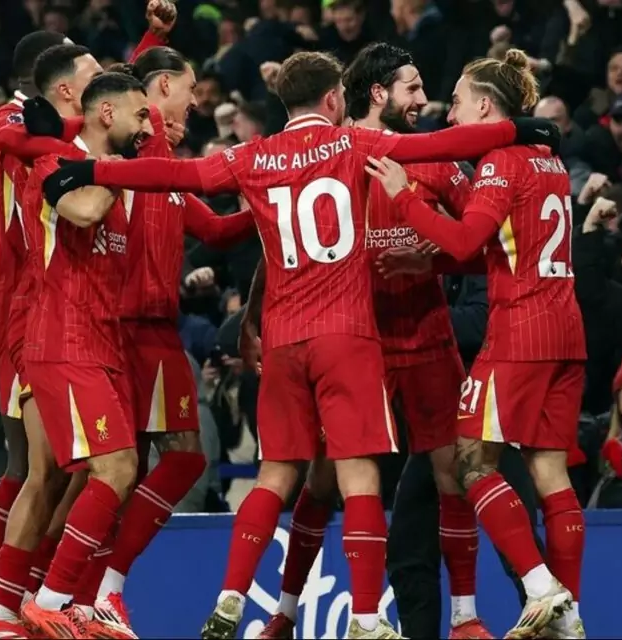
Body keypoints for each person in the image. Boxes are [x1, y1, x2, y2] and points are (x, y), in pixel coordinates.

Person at [42, 51, 556, 640]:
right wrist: (520, 130)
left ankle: (232, 599)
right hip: (348, 335)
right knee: (355, 478)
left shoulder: (254, 155)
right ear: (336, 99)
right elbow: (436, 146)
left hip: (291, 340)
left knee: (276, 476)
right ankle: (363, 619)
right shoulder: (354, 145)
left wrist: (93, 171)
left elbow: (180, 177)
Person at [251, 42, 492, 640]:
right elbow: (279, 242)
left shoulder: (431, 159)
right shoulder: (333, 153)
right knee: (321, 482)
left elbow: (487, 243)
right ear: (378, 92)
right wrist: (252, 318)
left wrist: (432, 259)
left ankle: (465, 617)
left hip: (427, 339)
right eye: (413, 87)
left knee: (453, 472)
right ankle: (284, 612)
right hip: (355, 345)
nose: (424, 99)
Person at [367, 51, 586, 638]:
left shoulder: (500, 161)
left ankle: (540, 587)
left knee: (469, 460)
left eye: (459, 102)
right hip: (567, 330)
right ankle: (568, 618)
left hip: (520, 331)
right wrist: (429, 261)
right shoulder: (548, 160)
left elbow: (467, 240)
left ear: (486, 106)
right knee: (550, 473)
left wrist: (403, 196)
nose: (450, 112)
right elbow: (498, 250)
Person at [85, 47, 257, 639]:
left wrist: (269, 203)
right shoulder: (134, 162)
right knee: (123, 470)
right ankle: (82, 592)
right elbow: (114, 94)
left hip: (161, 331)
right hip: (122, 330)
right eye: (190, 90)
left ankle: (100, 587)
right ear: (160, 89)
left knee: (174, 461)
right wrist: (148, 45)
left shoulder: (171, 176)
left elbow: (219, 231)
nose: (196, 103)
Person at [0, 33, 95, 640]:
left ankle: (11, 603)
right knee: (34, 465)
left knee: (63, 467)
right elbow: (30, 139)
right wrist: (96, 133)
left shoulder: (45, 119)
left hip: (44, 298)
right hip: (21, 301)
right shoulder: (6, 121)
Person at [17, 71, 153, 640]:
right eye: (140, 116)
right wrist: (117, 170)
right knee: (111, 469)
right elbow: (84, 211)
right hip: (65, 342)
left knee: (102, 476)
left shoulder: (109, 173)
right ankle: (44, 601)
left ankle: (48, 600)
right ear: (107, 114)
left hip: (100, 345)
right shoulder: (55, 163)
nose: (148, 129)